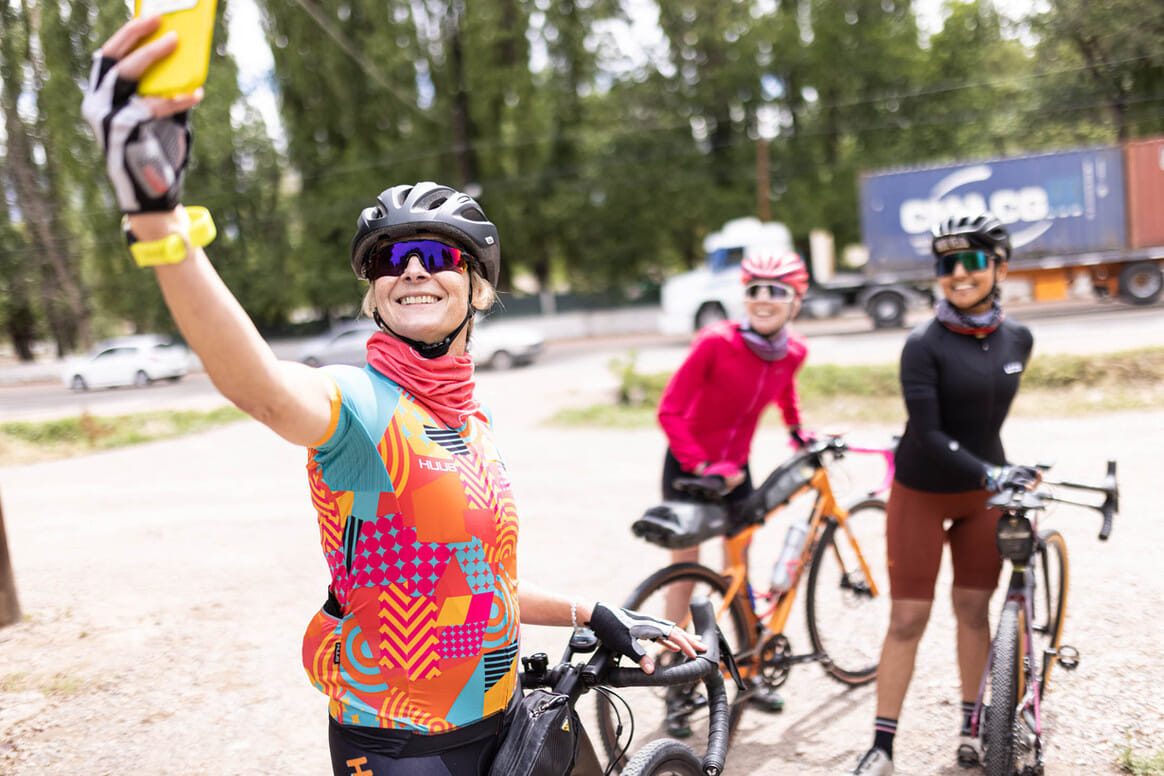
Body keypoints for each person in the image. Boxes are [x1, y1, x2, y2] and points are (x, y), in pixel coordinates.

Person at [80, 16, 702, 776]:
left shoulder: (469, 420)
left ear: (477, 288)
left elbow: (478, 582)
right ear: (374, 293)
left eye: (436, 254)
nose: (412, 269)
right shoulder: (356, 406)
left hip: (506, 723)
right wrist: (160, 221)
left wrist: (592, 611)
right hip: (403, 749)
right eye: (390, 258)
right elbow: (262, 389)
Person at [843, 212, 1040, 776]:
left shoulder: (1019, 339)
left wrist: (1002, 472)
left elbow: (984, 419)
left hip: (982, 496)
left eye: (972, 261)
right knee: (908, 619)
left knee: (973, 612)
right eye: (947, 263)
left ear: (999, 267)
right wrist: (990, 472)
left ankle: (972, 729)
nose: (958, 273)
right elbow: (929, 434)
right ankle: (881, 746)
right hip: (922, 492)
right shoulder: (921, 343)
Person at [655, 249, 810, 725]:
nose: (764, 300)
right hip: (688, 467)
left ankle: (751, 666)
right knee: (685, 574)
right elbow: (669, 410)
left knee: (738, 567)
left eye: (776, 292)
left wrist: (800, 432)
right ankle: (673, 680)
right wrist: (703, 464)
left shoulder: (794, 352)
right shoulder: (715, 342)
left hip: (738, 470)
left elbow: (783, 391)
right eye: (754, 290)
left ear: (795, 302)